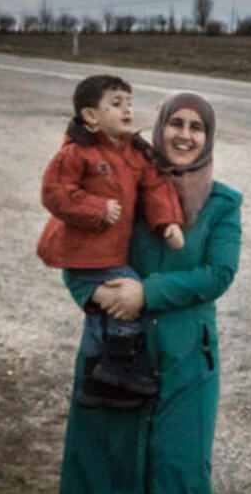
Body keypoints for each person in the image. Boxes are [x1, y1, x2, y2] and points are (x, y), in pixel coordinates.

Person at [59, 92, 243, 494]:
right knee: (107, 470)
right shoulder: (118, 191)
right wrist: (100, 296)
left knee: (180, 469)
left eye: (196, 128)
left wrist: (146, 294)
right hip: (116, 355)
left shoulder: (223, 204)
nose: (185, 135)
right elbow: (75, 255)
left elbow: (218, 274)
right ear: (160, 129)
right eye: (176, 124)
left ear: (208, 137)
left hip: (188, 357)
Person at [38, 74, 185, 406]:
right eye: (116, 104)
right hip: (84, 252)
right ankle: (119, 366)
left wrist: (168, 222)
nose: (127, 110)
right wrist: (97, 208)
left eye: (129, 103)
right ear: (91, 116)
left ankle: (95, 381)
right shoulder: (77, 153)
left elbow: (157, 185)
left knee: (99, 317)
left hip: (108, 253)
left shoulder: (134, 152)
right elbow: (54, 192)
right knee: (127, 293)